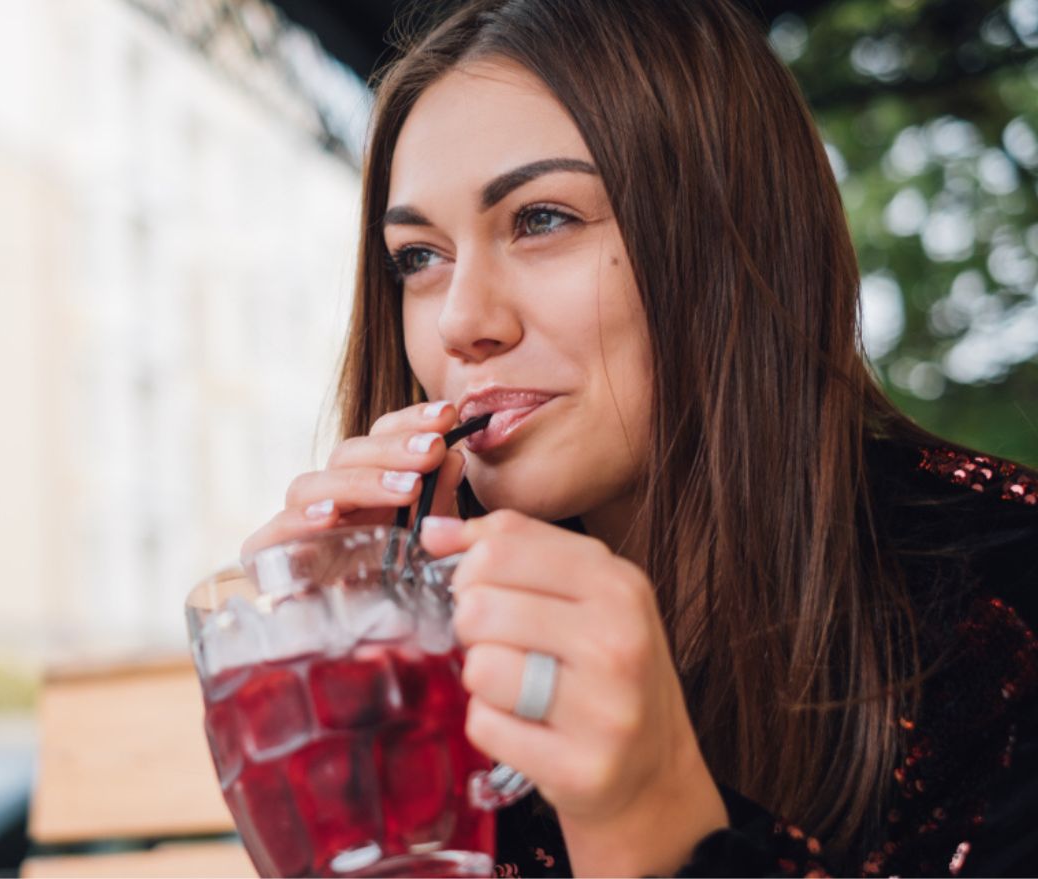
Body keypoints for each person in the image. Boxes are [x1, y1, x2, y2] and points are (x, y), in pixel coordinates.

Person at [240, 0, 1038, 874]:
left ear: (733, 238)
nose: (461, 320)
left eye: (541, 218)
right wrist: (368, 795)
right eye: (418, 258)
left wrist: (652, 822)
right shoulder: (449, 658)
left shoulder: (1010, 604)